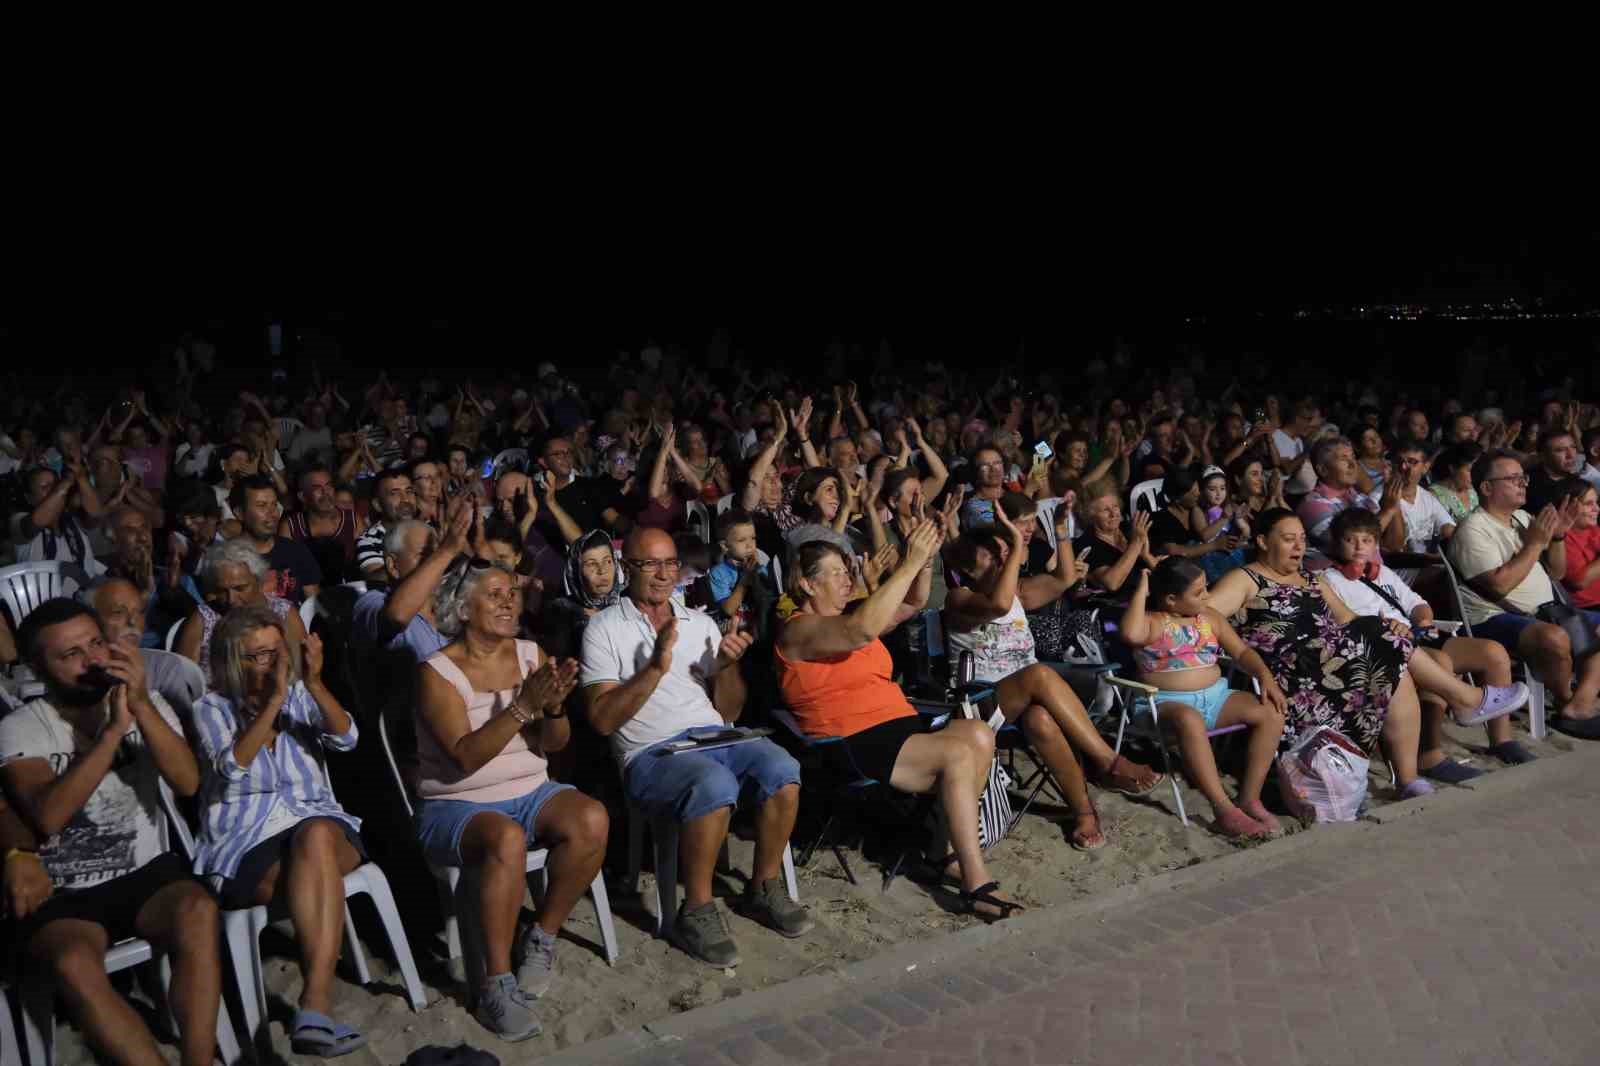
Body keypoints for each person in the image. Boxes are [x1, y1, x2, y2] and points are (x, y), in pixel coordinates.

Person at [0, 599, 220, 1066]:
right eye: (70, 654)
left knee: (198, 909)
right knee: (72, 964)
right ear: (38, 667)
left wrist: (139, 706)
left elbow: (188, 782)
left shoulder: (144, 704)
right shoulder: (22, 727)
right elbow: (48, 817)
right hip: (63, 888)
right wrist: (111, 734)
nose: (92, 660)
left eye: (95, 643)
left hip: (145, 870)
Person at [582, 527, 810, 967]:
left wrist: (725, 666)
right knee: (712, 782)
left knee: (782, 769)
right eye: (650, 564)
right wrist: (654, 667)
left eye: (670, 563)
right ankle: (697, 909)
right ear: (627, 567)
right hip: (651, 753)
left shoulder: (698, 622)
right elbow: (602, 719)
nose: (664, 574)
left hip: (713, 736)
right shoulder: (604, 630)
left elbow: (730, 709)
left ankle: (762, 886)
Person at [775, 523, 1021, 918]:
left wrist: (924, 561)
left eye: (846, 570)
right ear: (806, 584)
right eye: (835, 573)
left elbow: (914, 603)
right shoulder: (798, 630)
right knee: (958, 753)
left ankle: (940, 853)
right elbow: (859, 631)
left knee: (977, 732)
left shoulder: (852, 617)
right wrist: (909, 561)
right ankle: (974, 882)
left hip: (897, 727)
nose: (846, 580)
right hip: (850, 742)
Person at [416, 562, 609, 1040]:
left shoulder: (528, 653)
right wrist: (524, 705)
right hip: (456, 805)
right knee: (503, 838)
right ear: (462, 609)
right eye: (494, 594)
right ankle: (496, 985)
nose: (508, 602)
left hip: (530, 790)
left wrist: (556, 706)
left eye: (512, 593)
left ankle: (541, 936)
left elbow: (557, 743)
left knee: (591, 817)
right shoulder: (436, 673)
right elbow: (464, 759)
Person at [191, 609, 369, 1056]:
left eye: (277, 652)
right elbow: (231, 768)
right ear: (233, 662)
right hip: (248, 841)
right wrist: (271, 704)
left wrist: (312, 684)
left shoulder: (301, 697)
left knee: (316, 835)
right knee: (314, 858)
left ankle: (315, 1001)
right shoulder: (209, 709)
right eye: (260, 656)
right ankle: (318, 1013)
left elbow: (348, 740)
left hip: (320, 826)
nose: (274, 664)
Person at [944, 509, 1162, 849]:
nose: (1006, 562)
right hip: (978, 705)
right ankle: (1107, 761)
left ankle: (1084, 813)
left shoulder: (1018, 592)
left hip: (1022, 701)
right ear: (968, 571)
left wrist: (1060, 530)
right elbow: (1000, 605)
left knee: (1042, 719)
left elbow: (1063, 578)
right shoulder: (959, 598)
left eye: (1006, 555)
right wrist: (1017, 543)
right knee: (1040, 674)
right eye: (996, 557)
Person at [1209, 510, 1435, 797]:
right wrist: (1242, 651)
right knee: (1389, 656)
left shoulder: (1310, 578)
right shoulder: (1246, 578)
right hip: (1291, 673)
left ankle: (1407, 779)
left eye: (1302, 539)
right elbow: (1207, 614)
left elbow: (1349, 619)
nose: (1299, 546)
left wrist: (1386, 626)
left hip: (1335, 663)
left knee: (1392, 655)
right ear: (1263, 541)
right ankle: (1464, 700)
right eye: (1289, 539)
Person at [1323, 508, 1534, 774]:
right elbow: (1348, 622)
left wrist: (1422, 620)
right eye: (1350, 540)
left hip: (1416, 636)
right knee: (1441, 661)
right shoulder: (1330, 580)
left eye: (1366, 540)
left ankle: (1502, 740)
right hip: (1384, 646)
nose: (1358, 547)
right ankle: (1430, 753)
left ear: (1375, 543)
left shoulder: (1382, 573)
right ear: (1337, 543)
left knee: (1493, 652)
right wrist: (1391, 626)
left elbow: (1417, 604)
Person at [1119, 559, 1286, 838]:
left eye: (1205, 588)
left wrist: (1265, 676)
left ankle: (1249, 798)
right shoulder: (1154, 622)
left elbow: (1242, 653)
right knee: (1189, 718)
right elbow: (1129, 633)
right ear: (1171, 599)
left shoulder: (1210, 617)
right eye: (1198, 593)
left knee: (1271, 712)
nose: (1207, 595)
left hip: (1216, 698)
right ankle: (1223, 810)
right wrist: (1142, 589)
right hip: (1164, 705)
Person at [1446, 450, 1600, 738]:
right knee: (1553, 637)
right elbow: (1498, 586)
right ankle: (1567, 700)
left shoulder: (1521, 517)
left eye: (1523, 477)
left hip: (1546, 609)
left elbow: (1556, 572)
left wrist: (1556, 538)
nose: (1523, 484)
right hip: (1493, 617)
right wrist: (1534, 545)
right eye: (1513, 479)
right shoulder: (1473, 530)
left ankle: (1581, 702)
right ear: (1487, 488)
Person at [175, 539, 307, 678]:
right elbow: (183, 679)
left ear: (258, 580)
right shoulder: (204, 618)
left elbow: (302, 671)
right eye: (221, 590)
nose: (231, 599)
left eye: (240, 588)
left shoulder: (284, 613)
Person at [89, 576, 208, 726]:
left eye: (139, 612)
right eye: (118, 612)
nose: (132, 621)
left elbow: (185, 734)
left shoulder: (164, 667)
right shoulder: (83, 668)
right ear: (92, 619)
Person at [1295, 436, 1404, 557]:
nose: (1353, 464)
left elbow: (1394, 545)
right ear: (1323, 470)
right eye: (1343, 459)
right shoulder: (1313, 505)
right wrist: (1388, 510)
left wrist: (1394, 500)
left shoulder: (1360, 498)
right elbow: (1350, 549)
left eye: (1353, 457)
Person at [230, 473, 322, 605]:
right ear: (239, 513)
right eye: (262, 505)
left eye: (274, 505)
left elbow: (314, 607)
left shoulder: (296, 551)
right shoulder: (225, 559)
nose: (273, 513)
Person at [13, 462, 106, 578]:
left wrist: (81, 477)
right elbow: (35, 523)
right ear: (29, 498)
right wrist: (65, 483)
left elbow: (96, 515)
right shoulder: (17, 520)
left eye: (55, 484)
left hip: (87, 592)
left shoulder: (73, 518)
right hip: (45, 595)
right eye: (45, 487)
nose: (53, 490)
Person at [1073, 479, 1160, 597]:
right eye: (1105, 510)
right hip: (1124, 604)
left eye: (1115, 506)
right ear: (1090, 517)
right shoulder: (1086, 544)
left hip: (1156, 592)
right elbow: (1112, 583)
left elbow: (1165, 574)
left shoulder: (1130, 529)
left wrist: (1147, 556)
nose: (1113, 514)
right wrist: (1135, 544)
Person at [281, 464, 360, 586]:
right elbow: (285, 571)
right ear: (303, 496)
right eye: (317, 488)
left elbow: (365, 562)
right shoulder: (290, 526)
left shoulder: (353, 519)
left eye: (329, 486)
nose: (326, 493)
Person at [353, 469, 419, 584]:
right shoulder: (369, 541)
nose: (405, 499)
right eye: (394, 493)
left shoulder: (426, 527)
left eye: (409, 491)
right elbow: (375, 578)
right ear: (378, 505)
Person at [1559, 478, 1600, 609]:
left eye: (1596, 502)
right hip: (1589, 608)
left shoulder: (1594, 529)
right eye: (1589, 503)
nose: (1597, 508)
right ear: (1569, 506)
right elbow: (1579, 582)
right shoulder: (1563, 538)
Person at [1525, 427, 1582, 515]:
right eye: (1560, 450)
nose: (1570, 455)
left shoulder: (1579, 484)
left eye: (1573, 447)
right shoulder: (1526, 482)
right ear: (1543, 456)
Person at [1430, 442, 1483, 524]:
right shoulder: (1434, 495)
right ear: (1453, 468)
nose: (1474, 474)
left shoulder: (1473, 491)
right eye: (1469, 470)